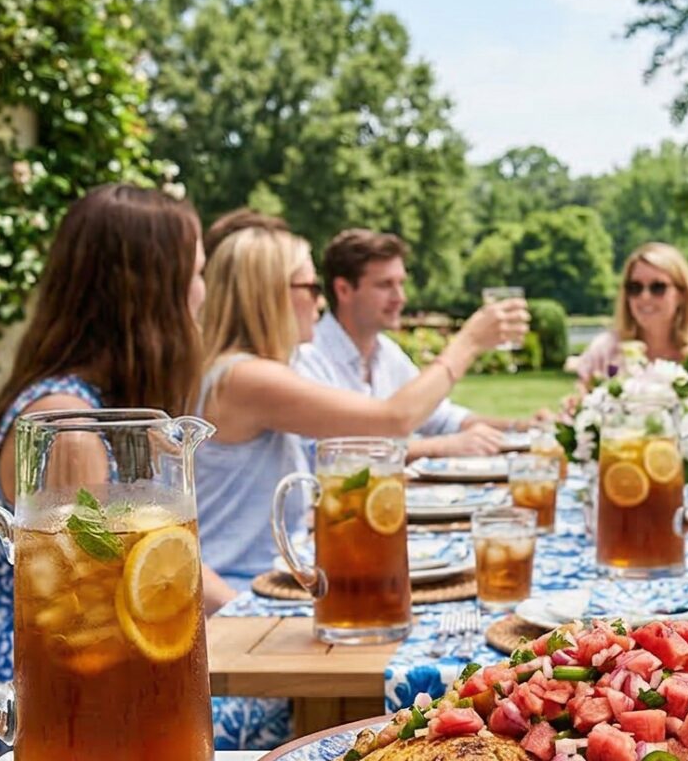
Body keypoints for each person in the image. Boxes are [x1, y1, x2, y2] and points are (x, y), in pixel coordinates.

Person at [0, 183, 211, 761]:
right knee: (284, 720)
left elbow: (152, 557)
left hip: (87, 697)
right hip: (64, 719)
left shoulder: (94, 404)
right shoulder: (69, 427)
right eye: (196, 274)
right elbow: (92, 607)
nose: (204, 294)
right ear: (150, 291)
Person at [194, 224, 526, 589]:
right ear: (268, 292)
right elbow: (393, 420)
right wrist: (468, 343)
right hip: (244, 589)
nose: (320, 303)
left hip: (277, 577)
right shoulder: (246, 378)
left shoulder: (246, 370)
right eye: (311, 288)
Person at [292, 228, 513, 458]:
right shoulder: (308, 356)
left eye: (401, 283)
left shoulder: (387, 352)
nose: (400, 297)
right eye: (385, 285)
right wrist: (469, 342)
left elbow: (440, 417)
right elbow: (334, 452)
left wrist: (522, 427)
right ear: (343, 290)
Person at [568, 242, 688, 424]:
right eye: (635, 288)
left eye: (657, 287)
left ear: (682, 295)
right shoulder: (604, 351)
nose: (645, 297)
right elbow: (579, 415)